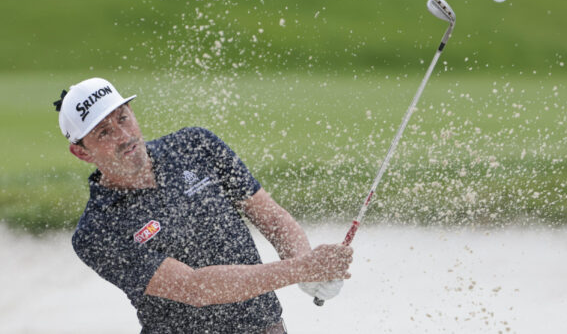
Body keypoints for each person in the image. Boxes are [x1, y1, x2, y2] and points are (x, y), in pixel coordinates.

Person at [54, 77, 353, 333]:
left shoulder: (195, 144)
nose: (124, 136)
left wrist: (310, 268)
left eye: (122, 118)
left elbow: (271, 218)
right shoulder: (96, 232)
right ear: (81, 152)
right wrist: (300, 269)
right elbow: (196, 287)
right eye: (103, 132)